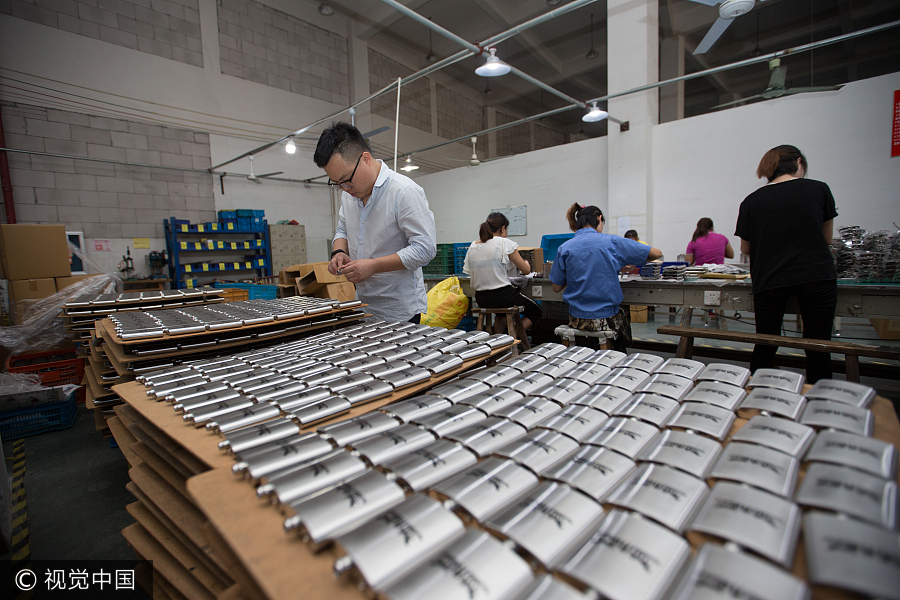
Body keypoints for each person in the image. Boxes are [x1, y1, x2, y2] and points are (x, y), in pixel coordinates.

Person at [314, 122, 436, 323]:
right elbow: (343, 229)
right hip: (364, 305)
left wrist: (374, 266)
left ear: (365, 159)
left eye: (346, 180)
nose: (344, 188)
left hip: (399, 310)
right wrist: (339, 252)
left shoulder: (403, 192)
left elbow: (425, 248)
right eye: (337, 184)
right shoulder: (349, 195)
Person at [735, 144, 838, 383]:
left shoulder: (752, 200)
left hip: (770, 278)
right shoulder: (818, 189)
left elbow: (746, 249)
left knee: (766, 343)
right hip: (815, 275)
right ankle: (819, 396)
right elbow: (826, 239)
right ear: (799, 162)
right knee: (818, 345)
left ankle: (758, 391)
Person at [550, 204, 662, 351]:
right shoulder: (612, 242)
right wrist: (625, 263)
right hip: (606, 319)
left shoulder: (564, 248)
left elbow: (556, 287)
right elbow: (656, 253)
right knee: (624, 311)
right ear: (599, 218)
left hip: (577, 320)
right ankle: (617, 355)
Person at [463, 212, 541, 333]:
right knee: (536, 311)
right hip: (503, 296)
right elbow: (526, 270)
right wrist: (526, 263)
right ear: (503, 228)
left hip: (481, 298)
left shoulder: (474, 245)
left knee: (501, 314)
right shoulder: (505, 243)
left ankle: (498, 339)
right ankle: (512, 335)